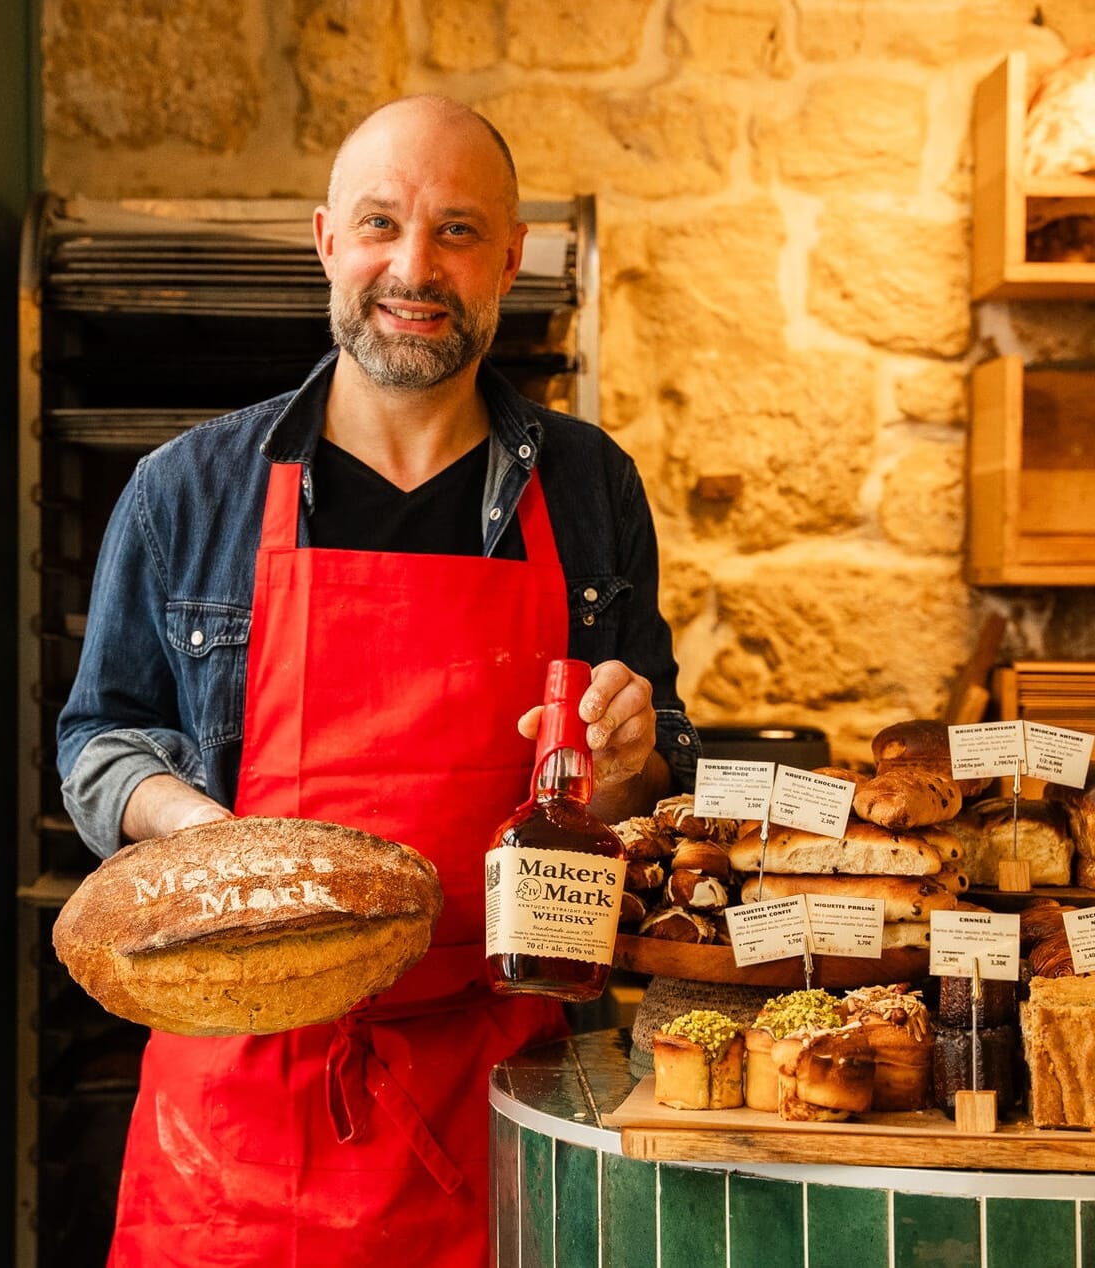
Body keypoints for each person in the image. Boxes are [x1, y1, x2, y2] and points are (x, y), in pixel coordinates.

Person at [56, 93, 700, 1268]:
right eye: (379, 224)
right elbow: (102, 742)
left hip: (509, 1079)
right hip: (241, 1083)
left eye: (457, 229)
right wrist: (207, 843)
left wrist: (630, 756)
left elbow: (656, 768)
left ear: (511, 257)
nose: (415, 266)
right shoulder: (185, 491)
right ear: (324, 241)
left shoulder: (589, 486)